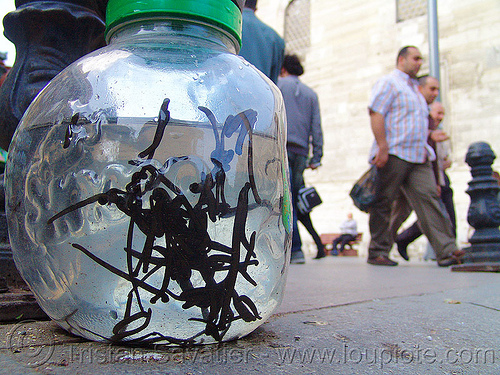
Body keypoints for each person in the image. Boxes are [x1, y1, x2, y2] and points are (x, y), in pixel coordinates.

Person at [367, 46, 463, 267]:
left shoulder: (415, 91)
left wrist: (430, 135)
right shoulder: (389, 82)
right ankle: (378, 251)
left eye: (421, 59)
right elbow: (376, 113)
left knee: (429, 199)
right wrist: (382, 146)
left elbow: (411, 123)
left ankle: (447, 250)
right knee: (384, 202)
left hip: (419, 157)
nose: (420, 62)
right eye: (416, 58)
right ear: (401, 59)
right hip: (395, 153)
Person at [278, 54, 324, 263]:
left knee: (285, 198)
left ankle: (295, 249)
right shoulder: (311, 94)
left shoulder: (276, 84)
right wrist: (317, 156)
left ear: (283, 68)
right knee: (295, 199)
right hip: (302, 153)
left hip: (282, 146)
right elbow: (317, 127)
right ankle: (311, 246)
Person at [239, 0, 285, 84]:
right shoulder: (276, 39)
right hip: (258, 94)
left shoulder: (229, 24)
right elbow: (272, 84)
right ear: (255, 8)